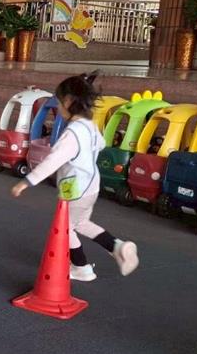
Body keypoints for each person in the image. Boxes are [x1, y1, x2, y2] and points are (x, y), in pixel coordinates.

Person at [11, 72, 139, 281]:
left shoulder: (72, 134)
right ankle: (117, 247)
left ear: (69, 102)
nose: (58, 108)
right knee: (80, 223)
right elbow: (101, 144)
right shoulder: (90, 126)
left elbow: (53, 161)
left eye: (59, 102)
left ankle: (81, 267)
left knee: (65, 228)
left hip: (75, 189)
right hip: (91, 187)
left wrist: (27, 181)